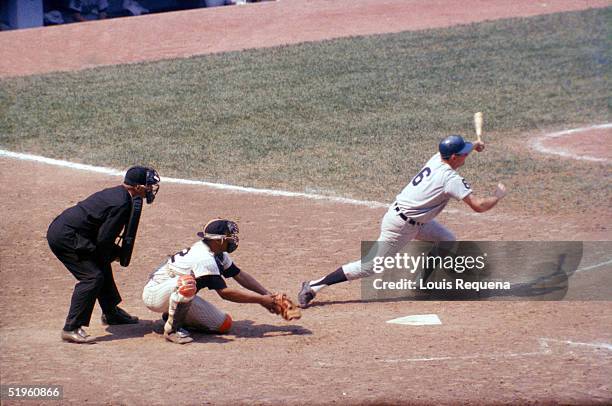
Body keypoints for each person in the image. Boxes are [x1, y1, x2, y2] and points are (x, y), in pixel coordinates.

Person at [298, 135, 507, 307]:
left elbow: (455, 154)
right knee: (370, 266)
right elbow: (478, 206)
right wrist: (497, 196)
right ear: (453, 157)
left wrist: (473, 146)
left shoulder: (437, 159)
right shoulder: (451, 179)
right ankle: (314, 286)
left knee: (447, 240)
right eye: (463, 153)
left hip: (414, 220)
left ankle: (421, 281)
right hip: (401, 226)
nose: (465, 157)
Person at [47, 165, 160, 343]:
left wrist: (112, 254)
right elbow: (104, 240)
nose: (150, 189)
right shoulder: (122, 203)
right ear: (137, 187)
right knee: (92, 277)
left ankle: (111, 313)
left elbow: (102, 240)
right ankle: (71, 328)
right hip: (66, 237)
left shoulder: (122, 196)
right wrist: (117, 253)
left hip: (73, 232)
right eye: (148, 185)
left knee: (101, 264)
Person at [142, 219, 279, 344]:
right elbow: (225, 293)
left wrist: (268, 294)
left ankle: (173, 315)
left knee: (224, 324)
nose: (233, 239)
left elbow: (239, 275)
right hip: (155, 294)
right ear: (218, 240)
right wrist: (261, 300)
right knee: (187, 283)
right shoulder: (204, 258)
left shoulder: (218, 253)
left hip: (175, 295)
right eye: (228, 237)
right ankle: (172, 329)